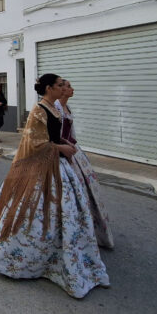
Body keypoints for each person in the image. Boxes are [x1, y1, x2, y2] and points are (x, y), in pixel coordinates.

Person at [0, 74, 109, 298]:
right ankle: (25, 259)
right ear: (49, 88)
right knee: (35, 214)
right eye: (60, 85)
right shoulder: (39, 110)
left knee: (65, 213)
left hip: (60, 166)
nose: (63, 88)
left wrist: (67, 145)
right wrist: (60, 149)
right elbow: (34, 143)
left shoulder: (56, 108)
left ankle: (63, 255)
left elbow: (57, 135)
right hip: (39, 169)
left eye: (63, 85)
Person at [55, 80, 114, 249]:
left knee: (87, 190)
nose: (72, 89)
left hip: (73, 149)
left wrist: (75, 148)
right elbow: (55, 134)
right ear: (61, 90)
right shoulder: (56, 107)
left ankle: (89, 230)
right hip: (63, 152)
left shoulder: (67, 108)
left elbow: (71, 132)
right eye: (67, 86)